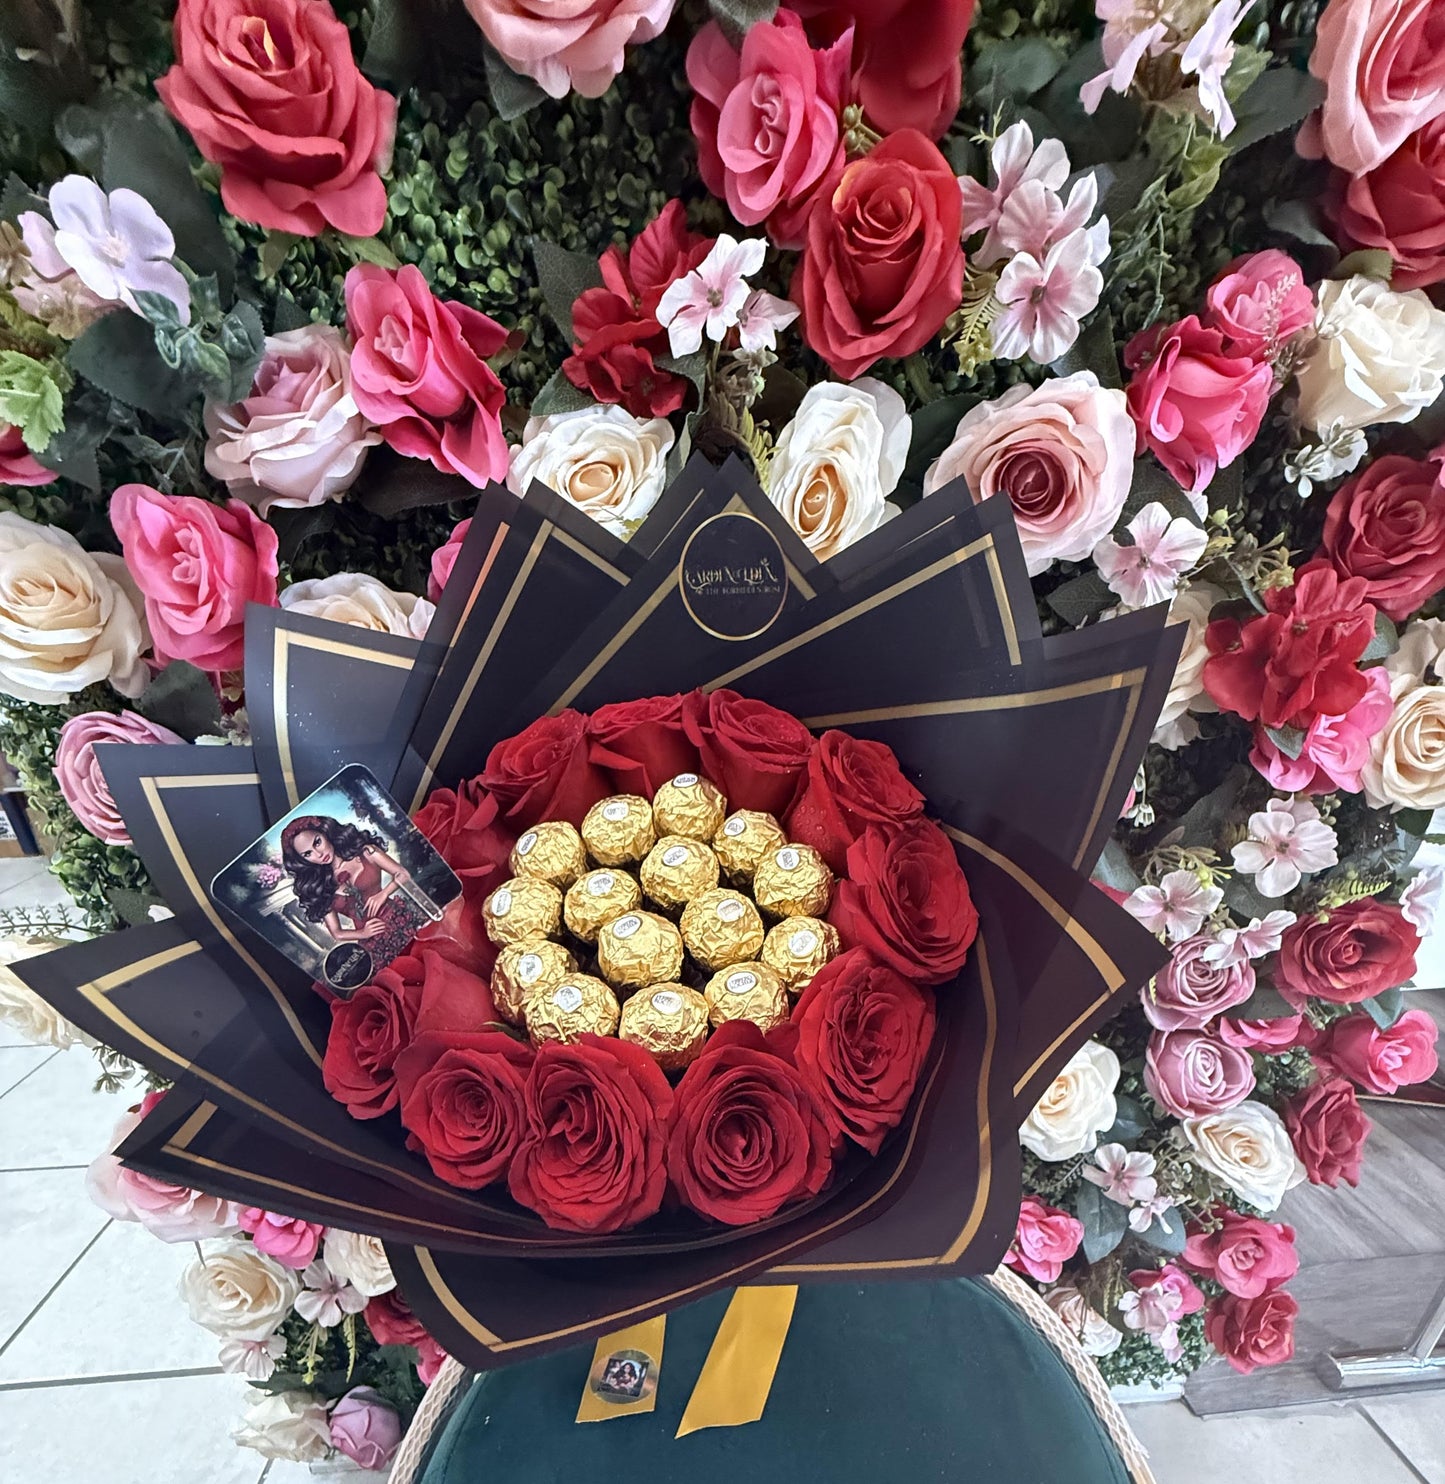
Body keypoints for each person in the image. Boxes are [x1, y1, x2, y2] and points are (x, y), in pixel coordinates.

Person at [279, 815, 424, 966]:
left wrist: (384, 894)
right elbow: (336, 932)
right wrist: (363, 933)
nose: (319, 854)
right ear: (303, 860)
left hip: (398, 916)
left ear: (326, 832)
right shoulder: (321, 888)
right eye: (308, 854)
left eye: (317, 842)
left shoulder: (366, 852)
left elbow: (403, 874)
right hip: (372, 940)